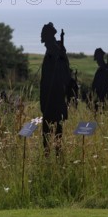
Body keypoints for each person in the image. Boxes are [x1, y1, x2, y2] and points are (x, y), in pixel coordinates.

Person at [39, 22, 70, 156]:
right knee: (48, 130)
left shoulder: (55, 50)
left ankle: (56, 155)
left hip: (54, 97)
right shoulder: (53, 49)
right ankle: (49, 154)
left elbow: (65, 74)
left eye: (44, 34)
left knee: (55, 128)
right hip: (49, 96)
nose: (42, 36)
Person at [92, 48, 108, 113]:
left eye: (98, 59)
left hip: (105, 95)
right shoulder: (99, 70)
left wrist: (107, 71)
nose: (97, 62)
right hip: (98, 95)